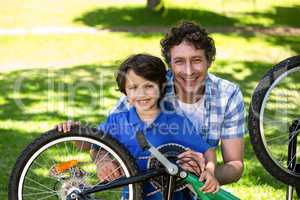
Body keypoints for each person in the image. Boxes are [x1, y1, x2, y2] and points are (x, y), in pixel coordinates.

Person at [57, 54, 219, 199]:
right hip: (134, 196)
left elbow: (207, 150)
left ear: (160, 86)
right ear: (125, 92)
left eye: (148, 86)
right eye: (134, 88)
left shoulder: (176, 122)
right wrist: (75, 133)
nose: (141, 94)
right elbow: (92, 145)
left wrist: (209, 171)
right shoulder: (117, 122)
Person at [111, 21, 245, 186]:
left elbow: (235, 165)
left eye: (196, 60)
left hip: (195, 191)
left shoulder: (228, 94)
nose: (188, 71)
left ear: (209, 61)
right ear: (170, 64)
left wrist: (201, 173)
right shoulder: (148, 89)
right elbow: (102, 139)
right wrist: (101, 161)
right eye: (179, 61)